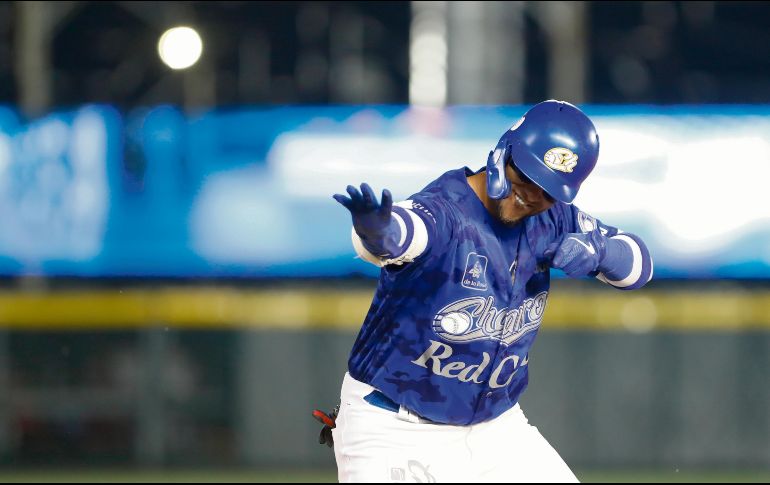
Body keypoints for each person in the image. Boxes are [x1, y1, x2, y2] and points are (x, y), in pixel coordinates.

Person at [314, 100, 653, 483]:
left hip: (495, 430)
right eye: (526, 177)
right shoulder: (446, 211)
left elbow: (639, 266)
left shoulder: (555, 218)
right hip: (396, 426)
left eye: (548, 190)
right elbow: (403, 234)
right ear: (502, 154)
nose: (531, 195)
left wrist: (602, 251)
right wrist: (378, 231)